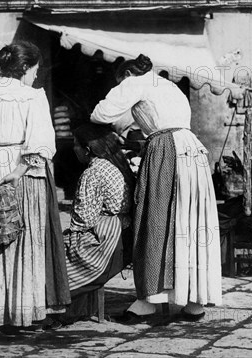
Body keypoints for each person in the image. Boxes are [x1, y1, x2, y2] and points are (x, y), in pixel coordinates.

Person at [91, 54, 222, 321]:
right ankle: (193, 300)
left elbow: (100, 113)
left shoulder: (133, 82)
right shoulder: (168, 85)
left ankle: (148, 299)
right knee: (189, 221)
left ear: (126, 75)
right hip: (191, 149)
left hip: (166, 150)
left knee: (155, 219)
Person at [0, 41, 70, 329]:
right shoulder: (32, 97)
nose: (35, 75)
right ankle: (21, 312)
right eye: (34, 69)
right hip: (21, 176)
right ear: (24, 68)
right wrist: (19, 170)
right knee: (21, 241)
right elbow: (41, 140)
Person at [60, 123, 134, 324]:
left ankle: (57, 307)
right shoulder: (114, 165)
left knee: (55, 256)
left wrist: (66, 234)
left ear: (87, 149)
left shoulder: (93, 172)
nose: (73, 149)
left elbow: (83, 219)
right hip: (123, 231)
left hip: (107, 240)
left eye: (76, 144)